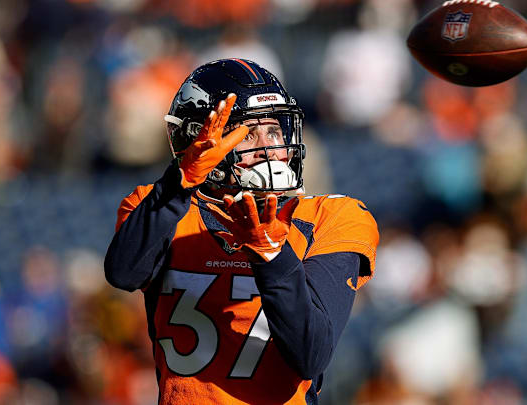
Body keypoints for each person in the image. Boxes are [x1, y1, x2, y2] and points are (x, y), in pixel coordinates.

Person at [104, 58, 379, 405]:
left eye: (275, 131)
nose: (270, 149)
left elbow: (311, 354)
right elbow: (124, 272)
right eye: (248, 134)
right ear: (200, 139)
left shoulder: (332, 216)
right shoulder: (161, 206)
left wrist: (272, 255)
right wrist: (179, 181)